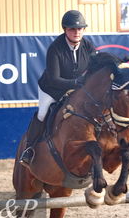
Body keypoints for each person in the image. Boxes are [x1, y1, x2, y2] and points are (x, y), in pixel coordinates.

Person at [20, 10, 96, 166]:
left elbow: (97, 64)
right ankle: (29, 149)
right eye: (72, 29)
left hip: (76, 88)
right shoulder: (55, 48)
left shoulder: (88, 45)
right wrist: (77, 83)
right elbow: (54, 79)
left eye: (80, 29)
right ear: (65, 30)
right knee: (42, 114)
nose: (76, 32)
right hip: (51, 89)